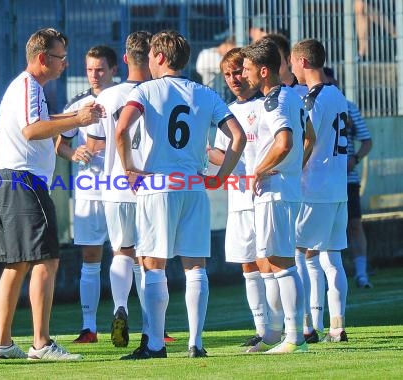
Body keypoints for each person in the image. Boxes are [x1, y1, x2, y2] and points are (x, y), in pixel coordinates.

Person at [116, 29, 246, 359]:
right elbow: (238, 137)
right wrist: (221, 176)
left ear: (159, 57)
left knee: (153, 264)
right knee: (195, 266)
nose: (147, 61)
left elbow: (121, 129)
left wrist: (129, 168)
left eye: (149, 56)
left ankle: (156, 345)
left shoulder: (146, 91)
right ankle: (196, 343)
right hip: (193, 186)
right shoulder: (205, 94)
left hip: (158, 187)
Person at [0, 27, 103, 361]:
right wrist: (78, 117)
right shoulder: (29, 85)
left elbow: (41, 122)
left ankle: (4, 344)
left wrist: (74, 119)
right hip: (25, 181)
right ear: (42, 58)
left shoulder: (26, 87)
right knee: (46, 259)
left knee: (17, 264)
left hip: (11, 180)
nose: (65, 64)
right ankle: (41, 344)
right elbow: (32, 129)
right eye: (60, 57)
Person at [86, 31, 153, 351]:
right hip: (150, 187)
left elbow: (95, 144)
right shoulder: (159, 93)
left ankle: (119, 309)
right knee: (148, 258)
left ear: (124, 59)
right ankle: (151, 327)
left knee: (121, 252)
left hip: (114, 185)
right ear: (154, 56)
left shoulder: (108, 97)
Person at [241, 38, 308, 354]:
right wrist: (293, 172)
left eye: (248, 68)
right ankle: (280, 333)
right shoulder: (292, 97)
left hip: (276, 193)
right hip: (284, 189)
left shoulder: (275, 101)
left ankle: (294, 338)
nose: (244, 74)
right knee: (275, 261)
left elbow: (285, 142)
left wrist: (258, 170)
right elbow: (311, 139)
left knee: (282, 263)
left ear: (263, 70)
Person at [54, 45, 117, 344]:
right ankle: (89, 327)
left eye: (101, 69)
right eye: (90, 69)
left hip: (122, 189)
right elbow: (60, 146)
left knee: (131, 256)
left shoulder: (128, 100)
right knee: (91, 257)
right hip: (89, 190)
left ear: (114, 70)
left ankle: (144, 324)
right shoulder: (77, 106)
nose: (94, 75)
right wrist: (72, 151)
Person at [291, 39, 350, 344]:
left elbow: (307, 140)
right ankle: (337, 326)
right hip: (339, 188)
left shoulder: (314, 99)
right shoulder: (339, 95)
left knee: (299, 253)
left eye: (292, 61)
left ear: (301, 62)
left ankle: (305, 326)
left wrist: (292, 171)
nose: (291, 68)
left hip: (314, 188)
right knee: (332, 259)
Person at [208, 47, 267, 347]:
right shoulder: (226, 112)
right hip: (238, 199)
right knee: (248, 265)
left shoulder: (266, 106)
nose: (234, 78)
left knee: (271, 261)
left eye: (238, 72)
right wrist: (210, 153)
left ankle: (286, 326)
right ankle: (261, 329)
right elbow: (223, 153)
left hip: (266, 196)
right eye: (228, 74)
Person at [323, 66, 373, 289]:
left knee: (354, 225)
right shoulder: (310, 104)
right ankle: (324, 277)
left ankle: (362, 273)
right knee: (324, 230)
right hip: (321, 179)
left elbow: (366, 140)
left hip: (347, 179)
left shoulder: (348, 107)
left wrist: (356, 159)